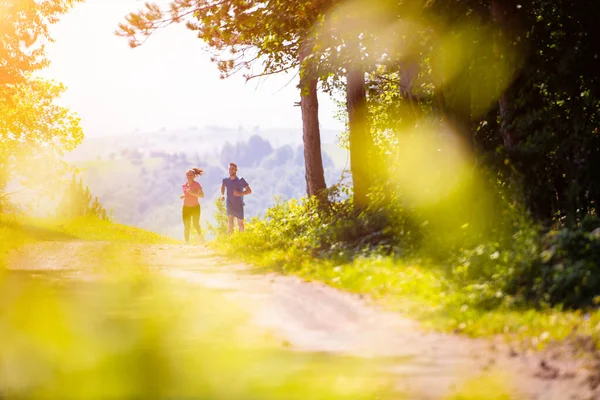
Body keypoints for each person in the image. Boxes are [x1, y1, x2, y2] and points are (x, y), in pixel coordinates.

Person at [220, 162, 252, 234]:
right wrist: (222, 195)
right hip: (230, 204)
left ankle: (241, 240)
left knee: (240, 224)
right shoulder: (225, 180)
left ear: (236, 170)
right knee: (230, 223)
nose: (231, 170)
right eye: (229, 169)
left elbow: (249, 191)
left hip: (238, 205)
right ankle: (230, 241)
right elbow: (222, 186)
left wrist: (239, 193)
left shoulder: (240, 180)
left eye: (233, 169)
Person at [181, 167, 205, 244]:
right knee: (186, 225)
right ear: (186, 176)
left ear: (194, 176)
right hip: (186, 207)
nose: (189, 176)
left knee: (196, 224)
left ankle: (201, 239)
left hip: (195, 207)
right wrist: (183, 196)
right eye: (188, 174)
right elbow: (186, 195)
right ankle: (186, 241)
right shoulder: (184, 185)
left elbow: (202, 196)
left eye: (191, 175)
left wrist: (192, 193)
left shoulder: (197, 184)